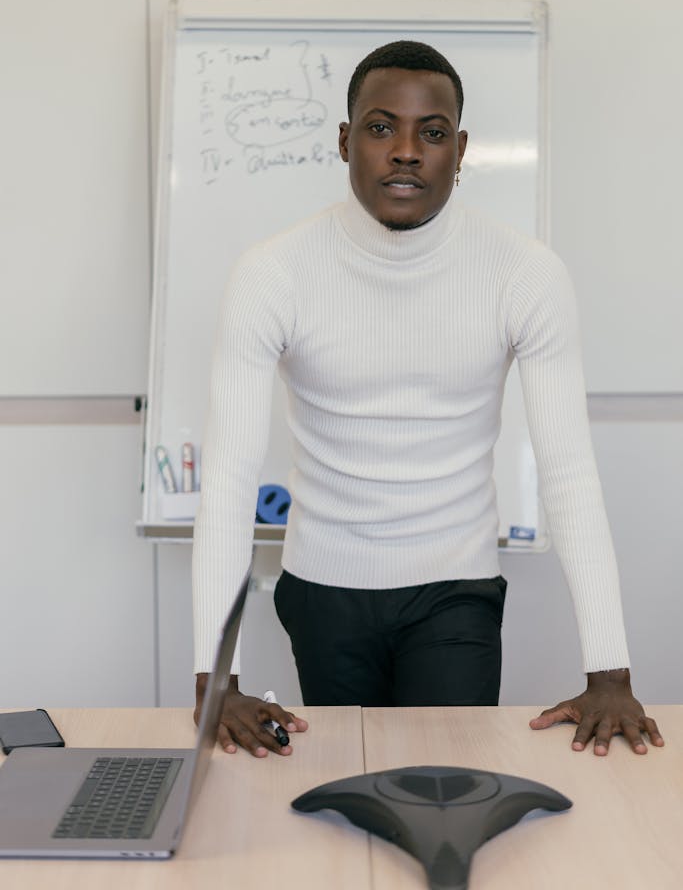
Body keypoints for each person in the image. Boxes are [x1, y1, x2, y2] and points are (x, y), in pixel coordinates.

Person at [192, 40, 663, 759]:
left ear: (460, 148)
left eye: (431, 133)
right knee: (349, 793)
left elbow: (567, 472)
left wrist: (609, 670)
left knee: (443, 795)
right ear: (346, 140)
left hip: (456, 589)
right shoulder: (273, 274)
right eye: (381, 128)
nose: (405, 151)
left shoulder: (524, 274)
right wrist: (213, 677)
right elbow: (226, 478)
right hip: (322, 589)